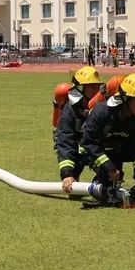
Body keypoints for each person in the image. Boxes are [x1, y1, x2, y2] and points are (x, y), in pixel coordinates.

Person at [81, 73, 135, 206]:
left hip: (121, 149)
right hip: (97, 152)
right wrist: (109, 168)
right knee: (109, 186)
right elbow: (90, 143)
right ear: (125, 99)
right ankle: (100, 185)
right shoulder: (101, 112)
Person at [54, 66, 102, 196]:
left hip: (95, 152)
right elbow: (65, 141)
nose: (96, 91)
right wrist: (67, 174)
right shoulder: (69, 110)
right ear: (80, 89)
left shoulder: (102, 109)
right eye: (92, 87)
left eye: (98, 87)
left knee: (106, 181)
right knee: (72, 189)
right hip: (75, 153)